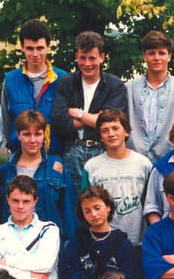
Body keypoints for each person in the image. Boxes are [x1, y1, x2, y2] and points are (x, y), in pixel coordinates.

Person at [51, 30, 128, 188]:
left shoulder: (115, 85)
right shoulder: (66, 83)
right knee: (73, 198)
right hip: (72, 150)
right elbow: (59, 122)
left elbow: (111, 123)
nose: (87, 64)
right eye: (82, 58)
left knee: (103, 197)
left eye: (92, 58)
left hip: (103, 150)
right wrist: (96, 118)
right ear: (76, 56)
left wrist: (78, 114)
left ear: (102, 57)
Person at [0, 109, 78, 245]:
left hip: (50, 244)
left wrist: (69, 246)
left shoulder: (57, 168)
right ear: (18, 135)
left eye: (38, 134)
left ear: (44, 134)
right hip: (13, 245)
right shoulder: (6, 171)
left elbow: (69, 212)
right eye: (27, 134)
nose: (33, 140)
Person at [126, 30, 174, 163]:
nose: (157, 58)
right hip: (132, 162)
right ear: (144, 56)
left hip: (171, 163)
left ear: (169, 56)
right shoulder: (128, 89)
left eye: (161, 53)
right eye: (151, 53)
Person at [82, 108, 154, 248]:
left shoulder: (144, 164)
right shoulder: (91, 167)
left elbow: (151, 204)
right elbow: (86, 206)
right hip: (105, 242)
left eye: (116, 128)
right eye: (105, 130)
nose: (111, 134)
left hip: (138, 243)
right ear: (100, 136)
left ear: (126, 131)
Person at [0, 19, 67, 157]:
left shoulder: (63, 80)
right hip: (19, 155)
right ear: (22, 47)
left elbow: (67, 121)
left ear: (48, 46)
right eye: (30, 48)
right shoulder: (10, 80)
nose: (35, 54)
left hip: (55, 156)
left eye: (40, 48)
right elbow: (6, 121)